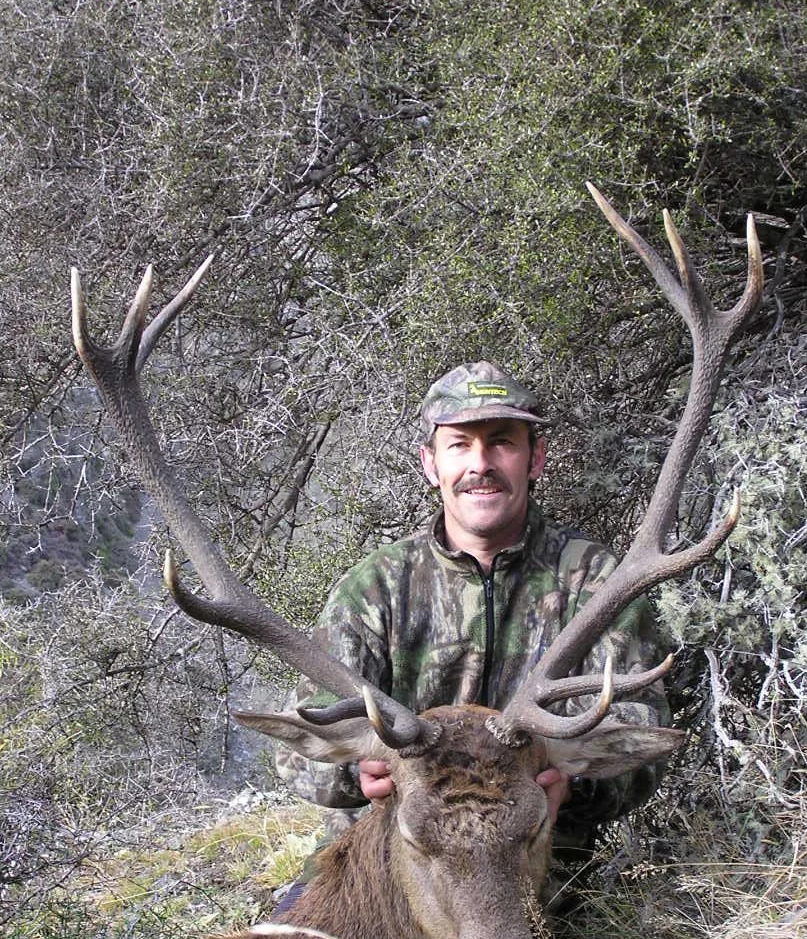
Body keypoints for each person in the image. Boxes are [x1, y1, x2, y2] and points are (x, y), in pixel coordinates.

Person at [274, 361, 670, 902]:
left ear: (535, 457)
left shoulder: (594, 580)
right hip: (390, 855)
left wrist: (570, 782)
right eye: (459, 445)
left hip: (533, 854)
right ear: (431, 464)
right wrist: (359, 772)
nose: (480, 464)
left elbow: (642, 729)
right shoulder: (377, 587)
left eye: (501, 442)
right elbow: (298, 747)